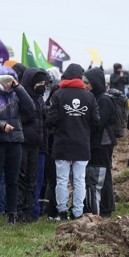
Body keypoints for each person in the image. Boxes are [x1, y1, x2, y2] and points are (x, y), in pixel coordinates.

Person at [0, 66, 32, 226]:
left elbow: (30, 109)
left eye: (11, 79)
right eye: (5, 80)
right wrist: (0, 125)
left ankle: (11, 215)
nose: (8, 83)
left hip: (15, 141)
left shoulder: (17, 94)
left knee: (13, 181)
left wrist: (19, 88)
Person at [47, 63, 97, 220]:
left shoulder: (58, 95)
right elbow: (96, 121)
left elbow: (51, 120)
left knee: (61, 179)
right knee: (79, 179)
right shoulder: (89, 96)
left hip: (62, 143)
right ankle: (78, 212)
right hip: (82, 143)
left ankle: (62, 212)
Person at [84, 66, 116, 217]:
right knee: (98, 175)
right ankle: (98, 206)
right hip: (97, 143)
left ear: (95, 83)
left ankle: (106, 208)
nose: (85, 85)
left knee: (104, 175)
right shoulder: (96, 97)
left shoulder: (104, 100)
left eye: (88, 83)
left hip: (102, 144)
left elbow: (98, 123)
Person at [18, 68, 48, 222]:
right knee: (21, 178)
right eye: (39, 82)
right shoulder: (21, 97)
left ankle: (29, 211)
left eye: (44, 82)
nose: (42, 85)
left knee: (32, 179)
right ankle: (19, 211)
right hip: (23, 143)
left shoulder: (40, 98)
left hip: (36, 144)